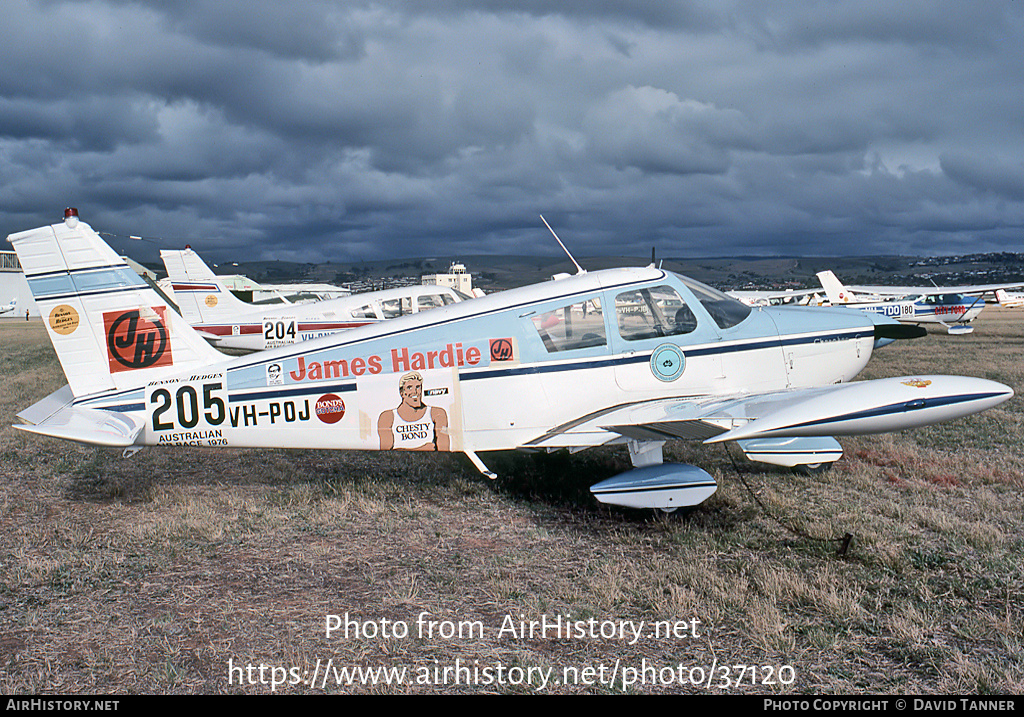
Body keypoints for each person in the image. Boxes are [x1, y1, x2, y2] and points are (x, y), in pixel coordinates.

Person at [377, 371, 450, 451]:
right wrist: (422, 449)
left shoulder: (437, 413)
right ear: (402, 393)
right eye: (409, 388)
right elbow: (386, 455)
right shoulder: (388, 417)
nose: (414, 392)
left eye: (418, 387)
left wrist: (400, 450)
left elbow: (444, 452)